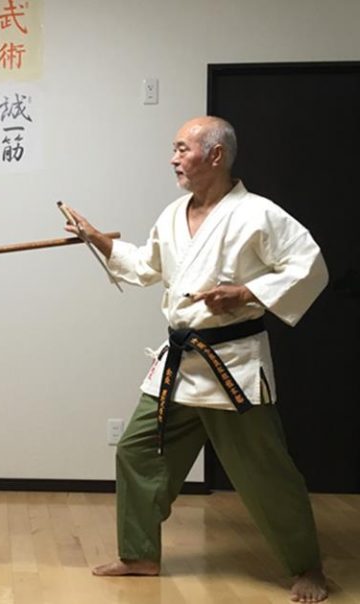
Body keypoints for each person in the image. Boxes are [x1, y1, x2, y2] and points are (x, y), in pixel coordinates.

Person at [61, 116, 329, 603]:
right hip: (181, 364)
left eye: (182, 149)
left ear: (216, 155)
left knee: (266, 472)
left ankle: (306, 567)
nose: (173, 159)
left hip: (234, 367)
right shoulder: (172, 215)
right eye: (174, 149)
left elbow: (310, 265)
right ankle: (139, 553)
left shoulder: (259, 214)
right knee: (137, 449)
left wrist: (247, 291)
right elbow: (147, 267)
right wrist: (98, 239)